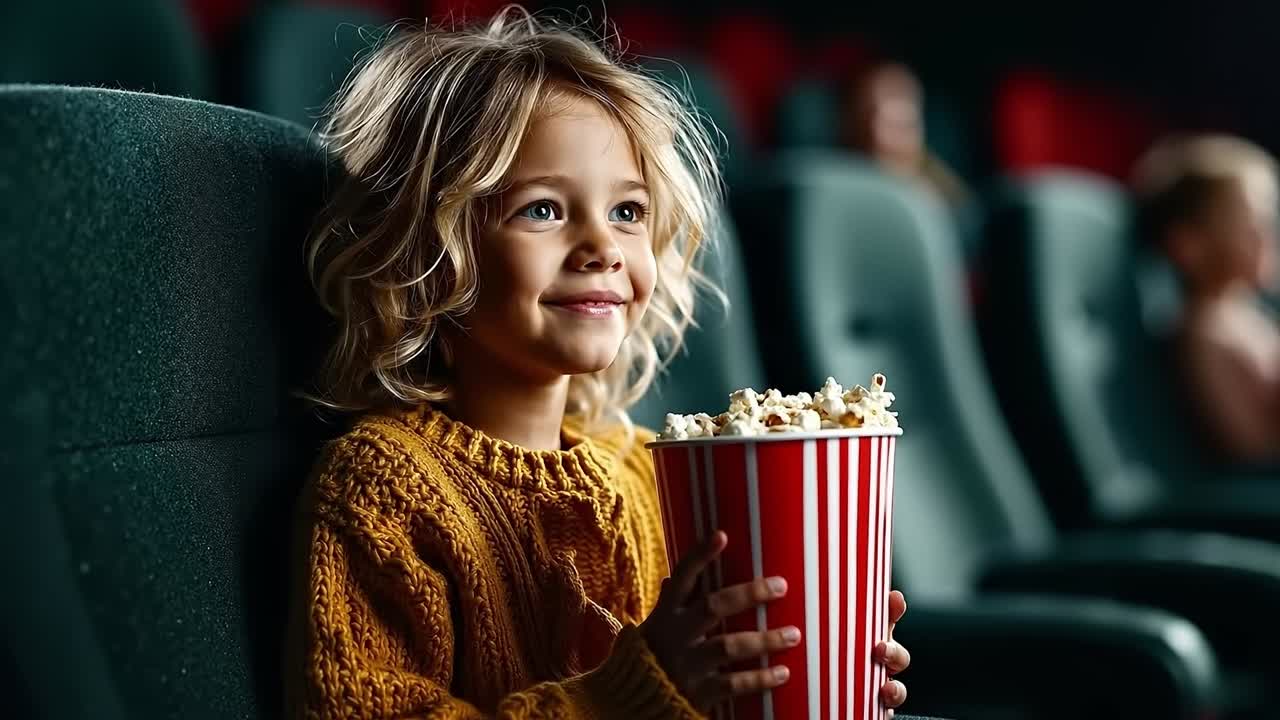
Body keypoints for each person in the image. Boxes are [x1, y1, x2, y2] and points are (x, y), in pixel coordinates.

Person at [286, 9, 912, 719]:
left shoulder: (652, 469)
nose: (602, 247)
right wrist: (624, 697)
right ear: (427, 255)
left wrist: (811, 675)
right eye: (544, 210)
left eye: (628, 213)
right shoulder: (380, 492)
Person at [1134, 134, 1280, 463]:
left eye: (1268, 220)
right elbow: (1252, 453)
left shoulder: (1246, 314)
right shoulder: (1203, 334)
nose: (1265, 236)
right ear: (1188, 246)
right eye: (1250, 221)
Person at [841, 61, 969, 209]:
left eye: (903, 126)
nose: (886, 138)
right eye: (872, 118)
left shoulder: (946, 197)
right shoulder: (844, 185)